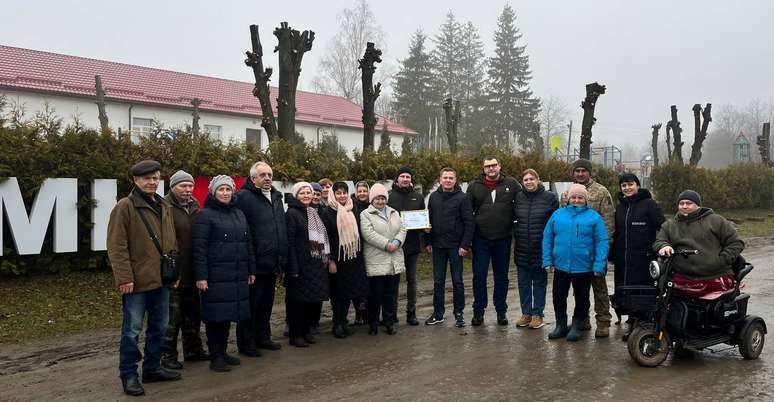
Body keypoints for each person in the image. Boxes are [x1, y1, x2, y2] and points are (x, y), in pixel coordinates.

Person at [107, 160, 181, 396]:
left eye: (155, 177)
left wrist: (174, 273)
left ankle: (152, 368)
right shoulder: (125, 206)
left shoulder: (164, 205)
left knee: (159, 327)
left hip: (162, 280)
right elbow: (116, 246)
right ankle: (129, 375)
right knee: (132, 331)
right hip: (136, 282)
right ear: (135, 181)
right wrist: (124, 278)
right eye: (147, 178)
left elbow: (171, 242)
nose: (152, 182)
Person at [192, 175, 256, 372]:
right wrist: (201, 276)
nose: (225, 193)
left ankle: (224, 352)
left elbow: (248, 243)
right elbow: (199, 249)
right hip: (216, 276)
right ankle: (215, 356)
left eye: (228, 189)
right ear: (213, 192)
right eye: (221, 189)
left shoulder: (239, 214)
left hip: (236, 274)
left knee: (229, 315)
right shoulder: (205, 215)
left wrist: (251, 269)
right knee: (216, 318)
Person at [544, 184, 609, 342]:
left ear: (585, 199)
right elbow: (547, 238)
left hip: (584, 266)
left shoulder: (594, 217)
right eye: (573, 197)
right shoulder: (557, 215)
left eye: (580, 197)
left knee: (582, 298)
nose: (576, 200)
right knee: (558, 296)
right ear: (568, 198)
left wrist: (599, 264)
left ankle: (576, 325)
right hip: (561, 265)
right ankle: (560, 325)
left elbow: (602, 241)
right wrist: (547, 260)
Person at [234, 162, 287, 355]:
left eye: (270, 174)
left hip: (272, 262)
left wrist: (282, 259)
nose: (267, 178)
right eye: (262, 175)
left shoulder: (276, 196)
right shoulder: (243, 198)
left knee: (266, 304)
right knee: (251, 305)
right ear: (253, 178)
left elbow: (280, 226)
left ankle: (263, 337)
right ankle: (246, 343)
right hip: (254, 262)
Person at [560, 159, 615, 338]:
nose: (581, 174)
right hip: (575, 253)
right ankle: (582, 320)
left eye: (584, 170)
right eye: (577, 171)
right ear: (573, 173)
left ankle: (603, 321)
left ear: (590, 172)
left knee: (599, 288)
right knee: (579, 289)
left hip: (595, 251)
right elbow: (563, 220)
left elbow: (608, 224)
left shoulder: (601, 192)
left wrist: (602, 251)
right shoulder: (567, 193)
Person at [161, 170, 209, 370]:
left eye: (190, 186)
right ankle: (168, 356)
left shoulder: (196, 206)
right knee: (172, 318)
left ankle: (193, 349)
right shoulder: (164, 207)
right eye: (183, 186)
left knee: (193, 314)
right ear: (172, 187)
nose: (188, 189)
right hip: (174, 273)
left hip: (193, 270)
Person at [610, 173, 665, 340]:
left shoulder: (649, 205)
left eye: (630, 184)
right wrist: (612, 254)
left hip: (643, 259)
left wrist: (661, 247)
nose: (627, 188)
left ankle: (643, 328)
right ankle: (632, 321)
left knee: (642, 293)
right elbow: (617, 232)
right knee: (626, 293)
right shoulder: (620, 207)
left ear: (637, 185)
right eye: (623, 185)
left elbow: (663, 227)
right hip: (623, 260)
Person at [467, 157, 520, 326]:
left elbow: (522, 202)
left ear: (499, 166)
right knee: (479, 276)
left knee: (501, 276)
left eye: (494, 165)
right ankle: (478, 311)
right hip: (480, 239)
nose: (491, 168)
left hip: (503, 239)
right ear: (483, 168)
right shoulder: (474, 186)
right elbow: (467, 213)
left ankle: (501, 311)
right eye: (487, 166)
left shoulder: (512, 184)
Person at [653, 190, 744, 280]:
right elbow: (659, 241)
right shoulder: (669, 225)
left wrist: (721, 260)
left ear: (698, 205)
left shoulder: (716, 221)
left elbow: (736, 243)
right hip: (681, 277)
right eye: (681, 203)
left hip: (716, 276)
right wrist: (663, 246)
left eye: (689, 203)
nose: (684, 206)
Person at [424, 168, 474, 328]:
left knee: (457, 281)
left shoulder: (463, 198)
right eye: (445, 177)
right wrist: (428, 241)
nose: (447, 180)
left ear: (455, 180)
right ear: (440, 179)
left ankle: (458, 313)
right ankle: (438, 313)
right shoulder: (433, 197)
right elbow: (428, 221)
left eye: (451, 178)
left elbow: (469, 223)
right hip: (438, 246)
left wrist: (465, 245)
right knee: (438, 282)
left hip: (456, 247)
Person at [284, 182, 332, 347]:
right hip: (299, 265)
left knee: (310, 301)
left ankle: (305, 331)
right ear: (296, 195)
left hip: (315, 263)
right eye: (302, 193)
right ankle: (295, 335)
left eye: (308, 193)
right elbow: (289, 243)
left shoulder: (312, 212)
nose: (306, 195)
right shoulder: (291, 213)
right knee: (297, 303)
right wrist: (293, 267)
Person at [321, 182, 370, 338]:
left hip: (353, 258)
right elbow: (325, 239)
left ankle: (344, 322)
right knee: (338, 295)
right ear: (333, 194)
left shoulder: (353, 208)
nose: (342, 196)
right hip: (337, 259)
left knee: (349, 293)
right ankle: (337, 324)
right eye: (338, 193)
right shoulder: (327, 212)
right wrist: (331, 261)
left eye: (344, 193)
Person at [512, 169, 559, 329]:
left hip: (541, 249)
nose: (529, 182)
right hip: (522, 249)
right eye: (525, 179)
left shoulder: (550, 198)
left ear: (538, 180)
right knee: (523, 284)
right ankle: (526, 313)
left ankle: (538, 314)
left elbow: (555, 224)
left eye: (532, 178)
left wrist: (552, 249)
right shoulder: (518, 197)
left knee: (539, 283)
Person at [360, 183, 407, 335]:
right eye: (377, 198)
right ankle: (373, 323)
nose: (380, 201)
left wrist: (397, 242)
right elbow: (368, 234)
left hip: (394, 259)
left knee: (390, 294)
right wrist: (387, 244)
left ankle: (388, 322)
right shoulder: (365, 214)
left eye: (382, 198)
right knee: (375, 295)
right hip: (377, 260)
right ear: (372, 199)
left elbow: (402, 228)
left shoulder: (394, 212)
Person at [387, 166, 425, 326]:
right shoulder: (388, 196)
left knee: (411, 280)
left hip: (412, 245)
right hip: (393, 245)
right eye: (402, 176)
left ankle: (411, 312)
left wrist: (425, 226)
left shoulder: (418, 196)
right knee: (393, 281)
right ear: (397, 179)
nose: (405, 179)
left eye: (408, 176)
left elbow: (423, 217)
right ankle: (392, 313)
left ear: (411, 179)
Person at [350, 180, 371, 325]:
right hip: (356, 249)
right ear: (356, 192)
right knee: (356, 282)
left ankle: (369, 313)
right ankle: (358, 313)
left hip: (370, 248)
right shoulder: (351, 207)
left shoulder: (373, 205)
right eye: (360, 191)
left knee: (370, 283)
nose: (362, 193)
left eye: (365, 191)